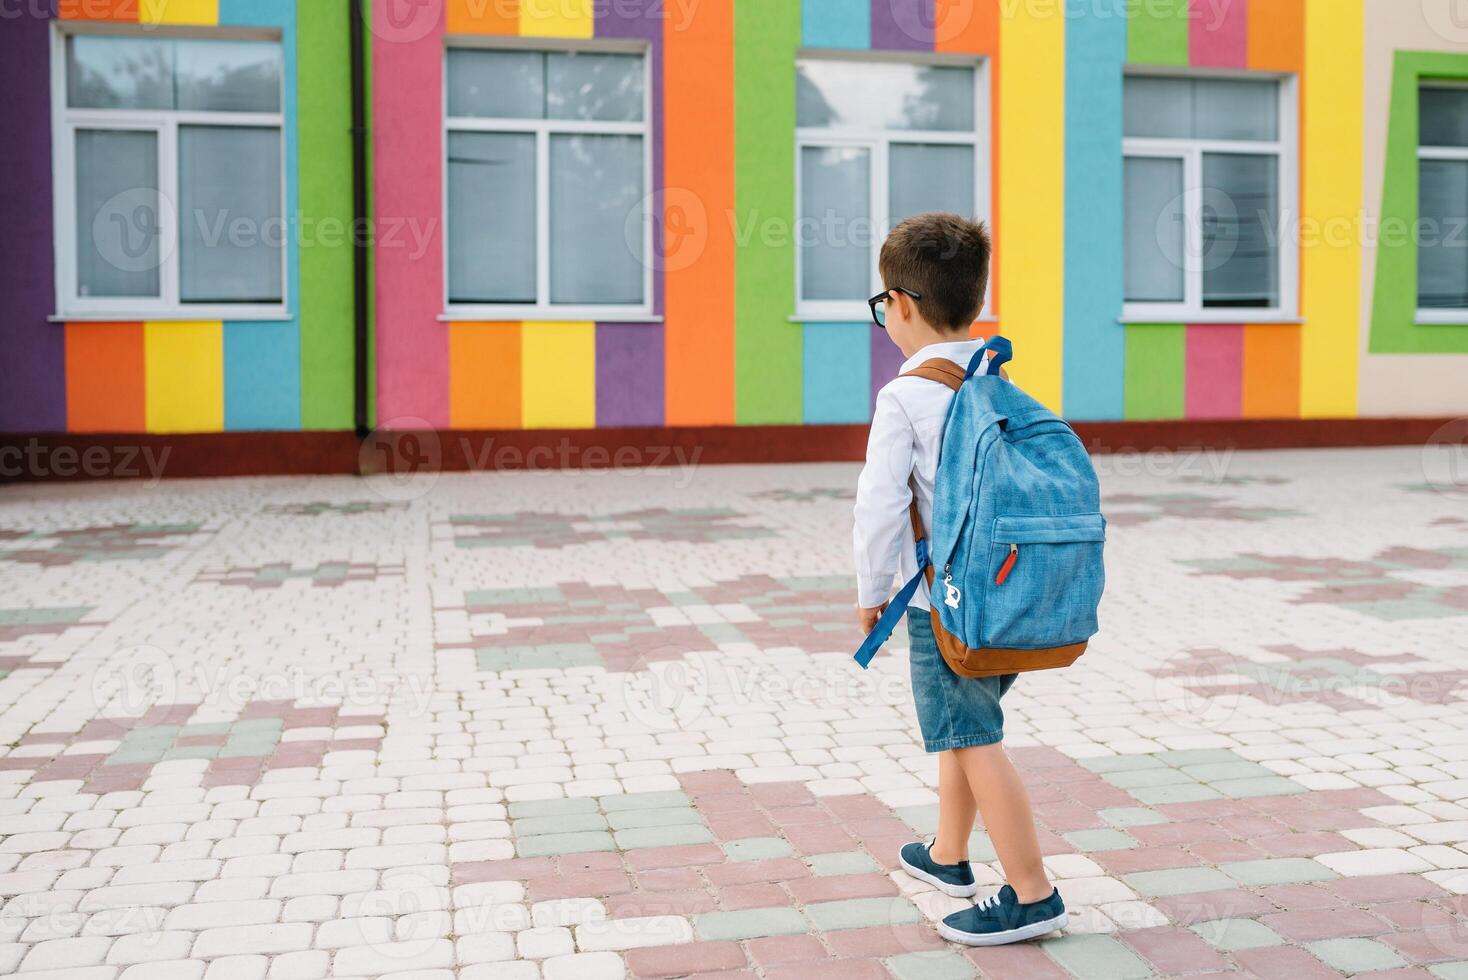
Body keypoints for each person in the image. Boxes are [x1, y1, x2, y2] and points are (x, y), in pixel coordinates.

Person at [853, 212, 1067, 946]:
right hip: (1004, 594)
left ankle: (1033, 892)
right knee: (964, 724)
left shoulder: (904, 395)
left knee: (972, 735)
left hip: (940, 604)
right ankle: (948, 855)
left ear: (901, 305)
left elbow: (879, 504)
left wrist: (869, 590)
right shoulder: (991, 375)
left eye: (883, 303)